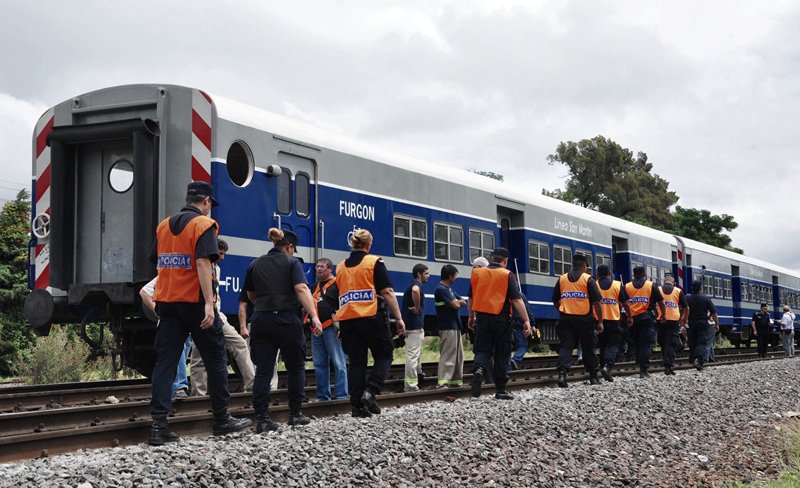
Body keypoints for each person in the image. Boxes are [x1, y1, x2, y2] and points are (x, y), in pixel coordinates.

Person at [147, 181, 250, 446]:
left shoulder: (163, 226)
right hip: (194, 302)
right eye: (210, 205)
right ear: (205, 201)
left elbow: (156, 261)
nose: (210, 209)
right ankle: (221, 419)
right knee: (216, 358)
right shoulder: (204, 225)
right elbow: (204, 262)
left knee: (166, 363)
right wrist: (208, 303)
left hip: (167, 304)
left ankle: (158, 426)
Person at [245, 228, 322, 432]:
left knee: (263, 371)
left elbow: (250, 294)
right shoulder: (292, 262)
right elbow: (302, 289)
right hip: (287, 320)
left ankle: (262, 419)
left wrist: (264, 304)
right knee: (295, 367)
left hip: (261, 319)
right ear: (289, 247)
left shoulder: (255, 263)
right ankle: (295, 414)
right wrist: (314, 316)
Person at [335, 228, 406, 417]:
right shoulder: (374, 262)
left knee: (357, 363)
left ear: (352, 243)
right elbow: (387, 292)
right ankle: (370, 392)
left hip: (348, 321)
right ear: (369, 245)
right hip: (371, 318)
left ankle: (356, 407)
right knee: (384, 355)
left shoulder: (340, 266)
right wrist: (398, 318)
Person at [189, 239, 255, 396]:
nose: (223, 257)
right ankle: (199, 393)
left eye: (224, 254)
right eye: (220, 254)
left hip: (217, 314)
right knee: (198, 356)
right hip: (203, 315)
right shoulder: (202, 266)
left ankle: (252, 383)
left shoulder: (216, 268)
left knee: (238, 343)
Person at [468, 247, 531, 399]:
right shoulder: (506, 274)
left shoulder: (477, 273)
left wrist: (471, 317)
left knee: (482, 350)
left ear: (491, 258)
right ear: (505, 261)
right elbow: (516, 300)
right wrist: (526, 320)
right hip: (501, 320)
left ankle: (479, 370)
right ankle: (501, 390)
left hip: (482, 318)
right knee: (502, 354)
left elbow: (471, 298)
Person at [551, 254, 603, 387]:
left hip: (566, 318)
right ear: (584, 266)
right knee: (588, 347)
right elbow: (597, 303)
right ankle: (593, 377)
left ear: (572, 265)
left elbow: (554, 299)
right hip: (584, 319)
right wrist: (600, 321)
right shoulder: (588, 279)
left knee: (566, 346)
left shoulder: (562, 279)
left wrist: (562, 311)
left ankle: (562, 374)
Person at [139, 278, 192, 400]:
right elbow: (144, 291)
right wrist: (158, 312)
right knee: (179, 353)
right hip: (174, 322)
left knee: (181, 355)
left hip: (186, 321)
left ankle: (173, 390)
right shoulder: (170, 273)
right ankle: (179, 387)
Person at [306, 258, 349, 401]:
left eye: (322, 267)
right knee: (319, 364)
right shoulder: (314, 287)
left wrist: (342, 327)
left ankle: (341, 396)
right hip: (316, 330)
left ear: (330, 269)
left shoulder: (338, 285)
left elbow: (344, 306)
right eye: (317, 266)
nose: (319, 269)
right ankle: (323, 396)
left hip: (332, 328)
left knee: (338, 362)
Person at [624, 266, 666, 378]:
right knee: (646, 343)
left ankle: (639, 362)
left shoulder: (627, 286)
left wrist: (627, 316)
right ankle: (644, 369)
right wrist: (663, 315)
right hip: (647, 318)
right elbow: (661, 302)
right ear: (644, 275)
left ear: (634, 274)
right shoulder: (651, 285)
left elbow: (623, 302)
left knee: (636, 342)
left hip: (632, 318)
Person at [595, 264, 632, 382]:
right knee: (612, 345)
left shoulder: (594, 285)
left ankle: (602, 367)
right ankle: (607, 366)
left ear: (598, 274)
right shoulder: (617, 285)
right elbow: (625, 303)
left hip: (597, 320)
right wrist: (630, 316)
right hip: (614, 320)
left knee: (602, 345)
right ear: (609, 274)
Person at [239, 286, 279, 391]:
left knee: (273, 359)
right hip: (254, 323)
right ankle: (254, 386)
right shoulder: (251, 280)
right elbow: (243, 304)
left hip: (272, 322)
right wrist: (243, 327)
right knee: (251, 357)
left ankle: (272, 387)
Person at [435, 264, 466, 387]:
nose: (456, 278)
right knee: (448, 354)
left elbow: (461, 300)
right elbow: (457, 304)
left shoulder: (449, 289)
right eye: (455, 276)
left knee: (458, 355)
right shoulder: (441, 289)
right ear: (450, 276)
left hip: (455, 326)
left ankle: (455, 381)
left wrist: (458, 302)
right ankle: (443, 381)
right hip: (447, 326)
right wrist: (458, 302)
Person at [402, 264, 430, 391]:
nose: (428, 276)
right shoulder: (417, 284)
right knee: (412, 355)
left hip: (410, 324)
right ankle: (411, 385)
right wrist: (417, 307)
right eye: (426, 273)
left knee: (415, 354)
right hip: (414, 325)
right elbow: (415, 290)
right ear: (419, 274)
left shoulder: (411, 283)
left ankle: (417, 376)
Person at [656, 275, 689, 375]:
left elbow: (652, 304)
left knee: (662, 342)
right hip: (673, 320)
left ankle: (666, 362)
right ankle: (668, 366)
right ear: (673, 283)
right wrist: (684, 319)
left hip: (660, 319)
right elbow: (686, 308)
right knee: (670, 343)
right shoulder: (678, 291)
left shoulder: (657, 290)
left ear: (664, 281)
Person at [685, 280, 719, 371]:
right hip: (702, 323)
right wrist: (716, 324)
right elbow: (713, 313)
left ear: (692, 288)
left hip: (691, 323)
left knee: (692, 342)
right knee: (701, 342)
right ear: (701, 288)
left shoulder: (687, 298)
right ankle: (698, 360)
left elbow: (684, 311)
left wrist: (683, 323)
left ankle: (692, 359)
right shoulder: (706, 299)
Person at [509, 295, 534, 370]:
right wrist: (531, 323)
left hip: (506, 323)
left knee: (507, 345)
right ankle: (515, 360)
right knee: (523, 345)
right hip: (518, 323)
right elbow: (527, 310)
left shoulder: (502, 294)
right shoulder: (520, 295)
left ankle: (506, 365)